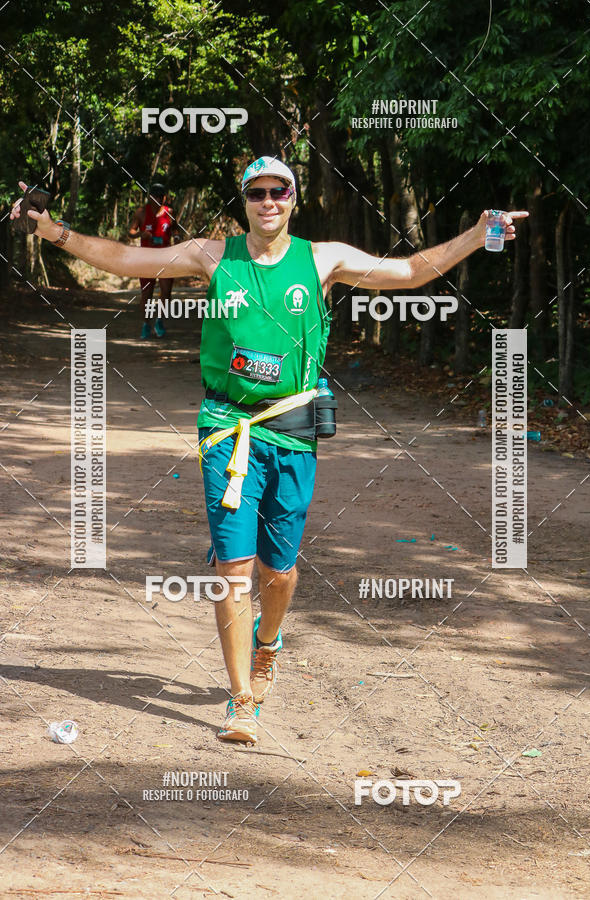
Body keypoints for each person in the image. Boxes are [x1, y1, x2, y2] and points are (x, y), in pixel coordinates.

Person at [11, 162, 528, 745]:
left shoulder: (323, 258)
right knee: (233, 569)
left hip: (294, 429)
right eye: (255, 193)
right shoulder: (213, 255)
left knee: (277, 572)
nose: (267, 201)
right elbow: (125, 260)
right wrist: (53, 230)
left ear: (293, 198)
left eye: (277, 191)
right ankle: (240, 701)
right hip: (228, 430)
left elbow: (408, 272)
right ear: (245, 202)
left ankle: (269, 641)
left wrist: (477, 231)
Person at [128, 183, 178, 339]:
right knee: (146, 293)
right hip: (147, 258)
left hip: (165, 257)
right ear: (149, 197)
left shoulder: (169, 212)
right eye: (154, 196)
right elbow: (131, 231)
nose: (157, 199)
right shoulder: (141, 212)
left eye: (160, 196)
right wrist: (140, 235)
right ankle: (146, 325)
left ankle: (159, 321)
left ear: (164, 197)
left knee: (166, 292)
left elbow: (175, 228)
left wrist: (176, 237)